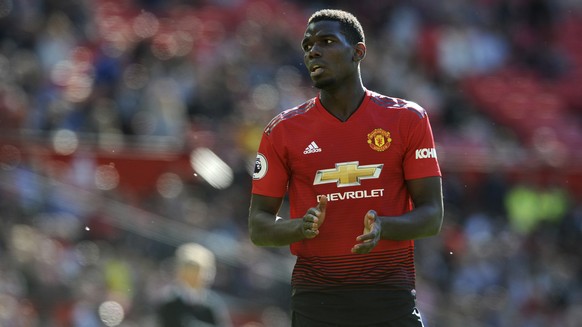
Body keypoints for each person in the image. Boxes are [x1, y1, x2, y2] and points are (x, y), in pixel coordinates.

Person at [248, 9, 443, 327]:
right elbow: (258, 226)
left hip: (390, 300)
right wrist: (301, 227)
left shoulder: (408, 119)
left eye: (326, 41)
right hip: (316, 303)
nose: (313, 50)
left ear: (358, 52)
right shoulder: (282, 131)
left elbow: (432, 215)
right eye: (308, 44)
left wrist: (384, 227)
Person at [156, 242, 232, 327]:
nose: (195, 276)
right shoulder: (170, 304)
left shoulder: (213, 306)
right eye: (190, 269)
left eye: (198, 270)